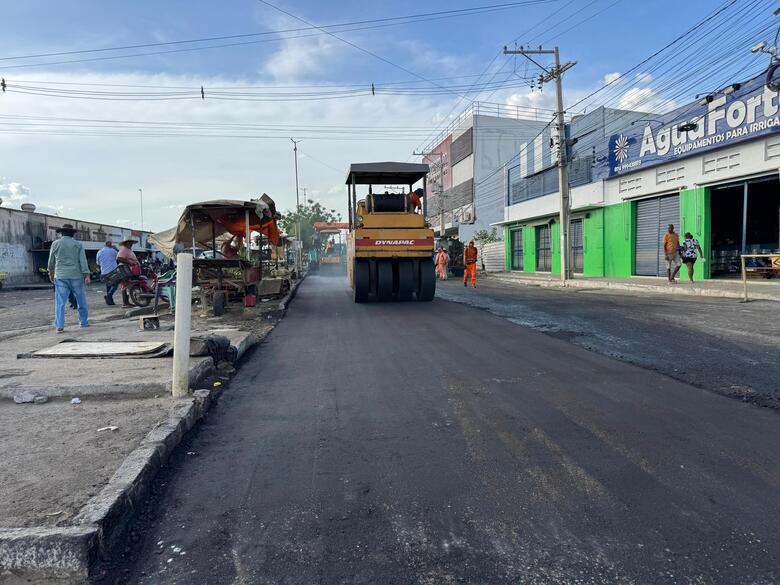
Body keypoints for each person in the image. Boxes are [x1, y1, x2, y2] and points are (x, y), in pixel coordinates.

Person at [47, 223, 90, 332]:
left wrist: (51, 273)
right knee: (81, 300)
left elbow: (51, 261)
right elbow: (83, 261)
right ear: (72, 234)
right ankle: (84, 322)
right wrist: (86, 274)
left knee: (60, 302)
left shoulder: (55, 244)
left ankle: (60, 326)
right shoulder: (78, 244)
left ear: (61, 233)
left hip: (60, 276)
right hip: (76, 276)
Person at [117, 238, 141, 308]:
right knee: (125, 285)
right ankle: (125, 303)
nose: (131, 244)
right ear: (125, 243)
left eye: (131, 243)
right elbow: (119, 258)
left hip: (128, 269)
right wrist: (130, 262)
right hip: (124, 269)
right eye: (129, 243)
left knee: (126, 285)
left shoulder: (128, 249)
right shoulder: (124, 249)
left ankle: (126, 302)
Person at [96, 240, 119, 305]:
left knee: (108, 286)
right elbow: (118, 258)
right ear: (110, 245)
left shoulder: (99, 252)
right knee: (115, 285)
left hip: (104, 272)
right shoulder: (113, 251)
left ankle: (110, 301)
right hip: (113, 272)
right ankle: (109, 296)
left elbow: (98, 263)